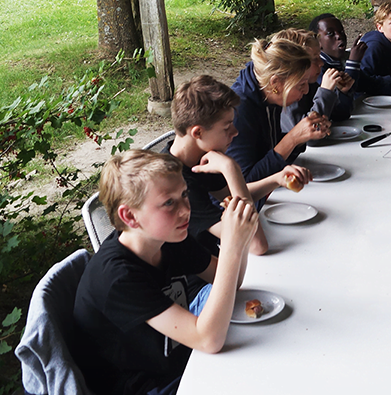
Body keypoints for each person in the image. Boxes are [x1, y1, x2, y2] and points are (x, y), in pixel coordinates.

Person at [71, 149, 259, 395]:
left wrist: (240, 239)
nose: (185, 210)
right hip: (151, 385)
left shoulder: (168, 236)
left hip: (181, 356)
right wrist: (233, 248)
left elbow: (229, 282)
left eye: (184, 194)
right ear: (129, 216)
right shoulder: (117, 277)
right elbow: (208, 340)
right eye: (169, 202)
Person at [168, 75, 312, 256]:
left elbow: (233, 195)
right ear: (198, 132)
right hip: (199, 280)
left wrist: (276, 179)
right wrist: (231, 169)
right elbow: (256, 244)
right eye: (227, 127)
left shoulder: (200, 157)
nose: (235, 132)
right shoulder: (176, 183)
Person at [228, 35, 330, 185]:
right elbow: (245, 184)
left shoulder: (268, 95)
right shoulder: (239, 111)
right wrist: (293, 138)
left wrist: (304, 135)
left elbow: (272, 154)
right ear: (275, 83)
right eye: (301, 85)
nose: (307, 90)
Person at [276, 27, 354, 125]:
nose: (321, 63)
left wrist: (343, 92)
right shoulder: (289, 94)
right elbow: (306, 134)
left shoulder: (311, 84)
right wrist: (325, 92)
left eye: (320, 56)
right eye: (314, 58)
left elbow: (339, 115)